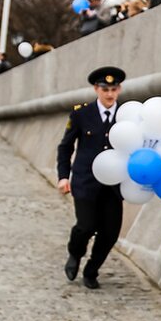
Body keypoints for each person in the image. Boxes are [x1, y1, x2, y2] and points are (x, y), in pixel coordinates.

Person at [57, 66, 126, 290]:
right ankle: (75, 253)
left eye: (114, 89)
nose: (109, 94)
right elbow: (65, 147)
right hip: (86, 182)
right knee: (85, 226)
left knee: (110, 233)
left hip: (114, 186)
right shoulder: (80, 114)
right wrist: (63, 176)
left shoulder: (128, 115)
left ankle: (91, 270)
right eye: (105, 89)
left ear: (119, 89)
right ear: (96, 89)